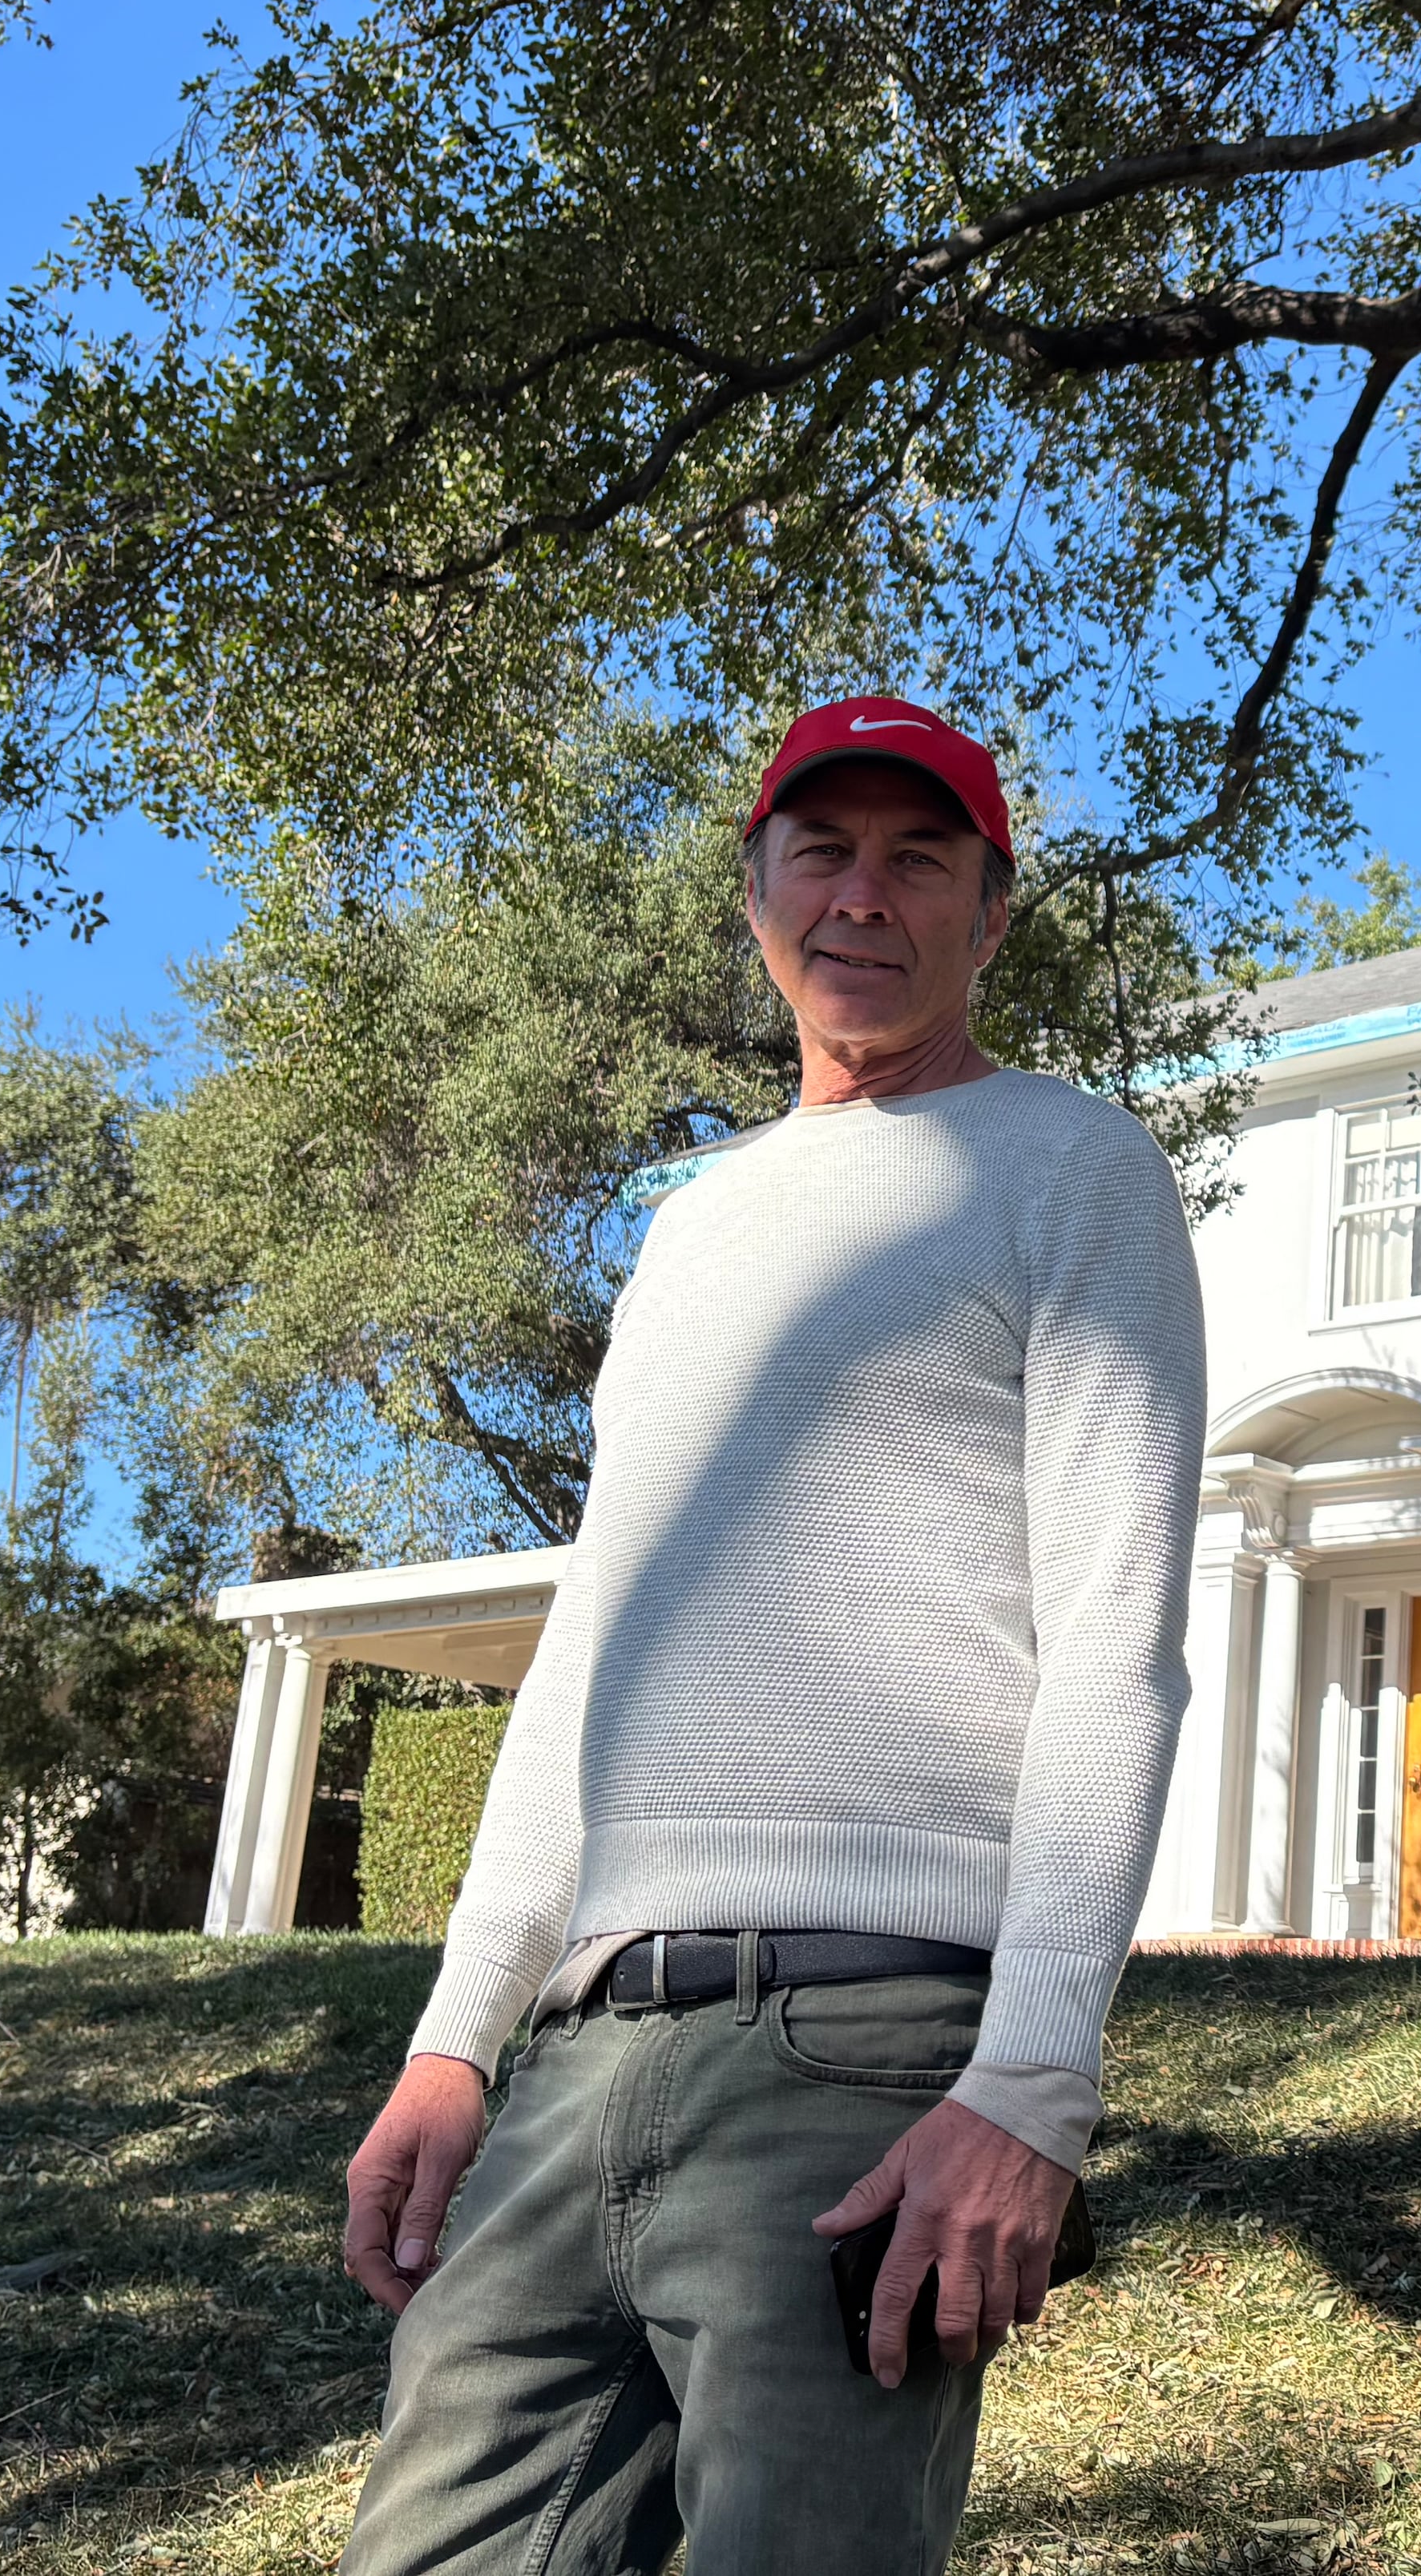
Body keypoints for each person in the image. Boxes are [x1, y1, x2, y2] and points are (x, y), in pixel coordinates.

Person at [333, 696, 1208, 2576]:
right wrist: (452, 2038)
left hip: (869, 2051)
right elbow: (594, 1646)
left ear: (991, 912)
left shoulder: (1071, 1167)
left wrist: (1033, 2086)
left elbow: (1118, 1636)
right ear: (756, 898)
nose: (864, 896)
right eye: (824, 850)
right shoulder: (690, 1226)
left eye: (921, 856)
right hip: (576, 2060)